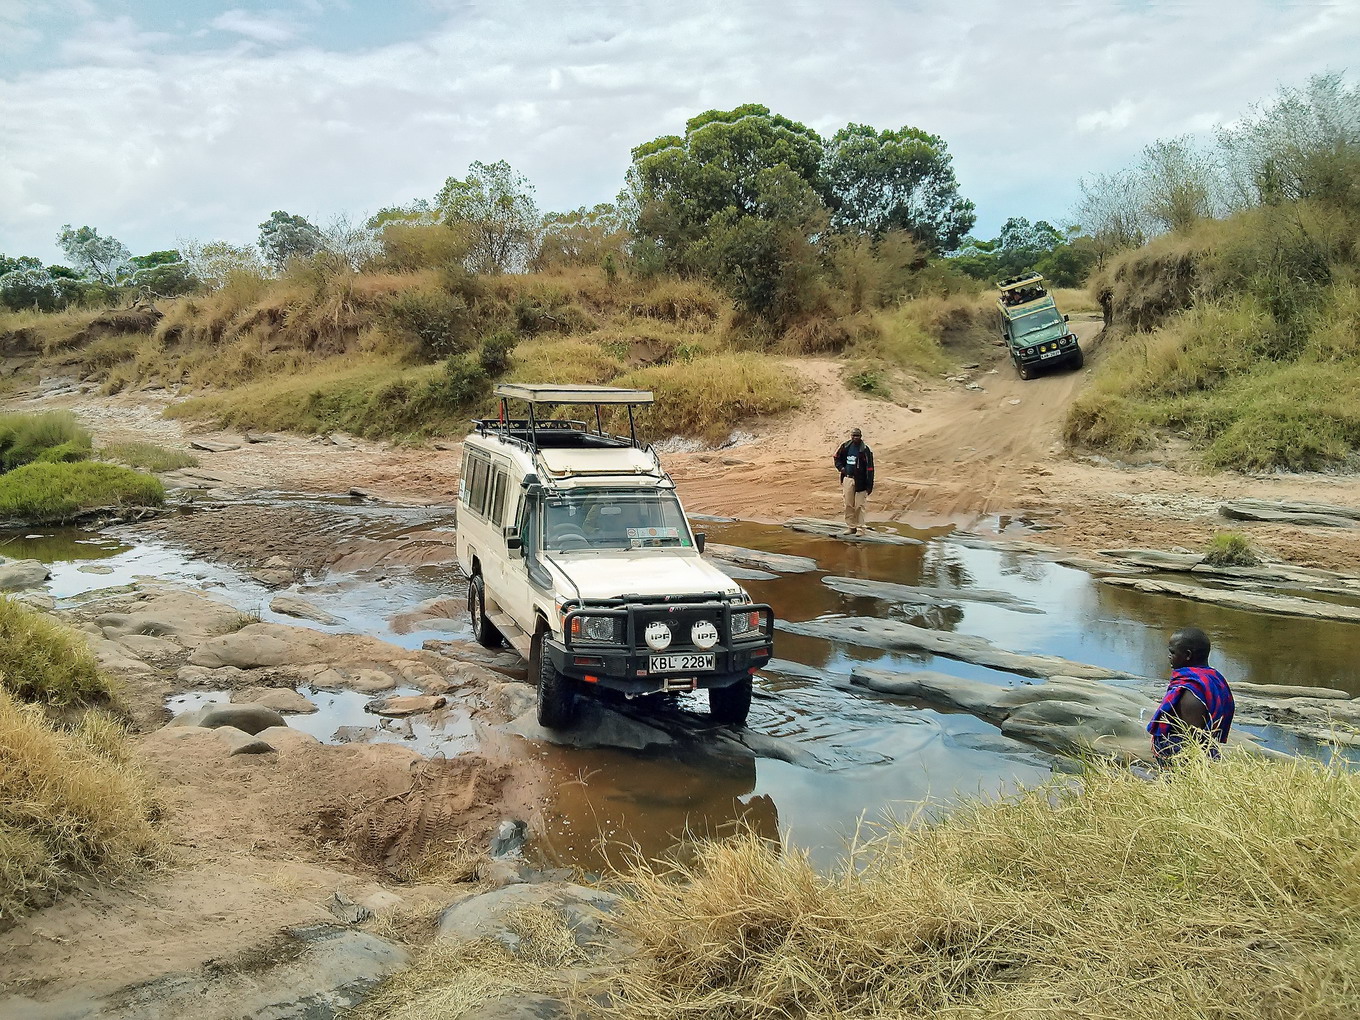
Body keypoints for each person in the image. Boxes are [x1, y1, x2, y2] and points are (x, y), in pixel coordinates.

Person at [1146, 626, 1235, 764]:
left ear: (1187, 655)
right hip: (1209, 753)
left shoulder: (1190, 690)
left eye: (1172, 652)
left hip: (1182, 763)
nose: (1169, 656)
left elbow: (1191, 742)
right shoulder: (1215, 678)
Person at [833, 427, 874, 536]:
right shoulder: (846, 446)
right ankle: (851, 527)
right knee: (848, 504)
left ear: (861, 437)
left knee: (859, 506)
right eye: (853, 436)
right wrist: (841, 468)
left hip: (861, 481)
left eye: (857, 436)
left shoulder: (865, 450)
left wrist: (869, 485)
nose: (855, 438)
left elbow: (870, 468)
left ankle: (860, 528)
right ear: (851, 436)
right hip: (848, 478)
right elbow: (836, 457)